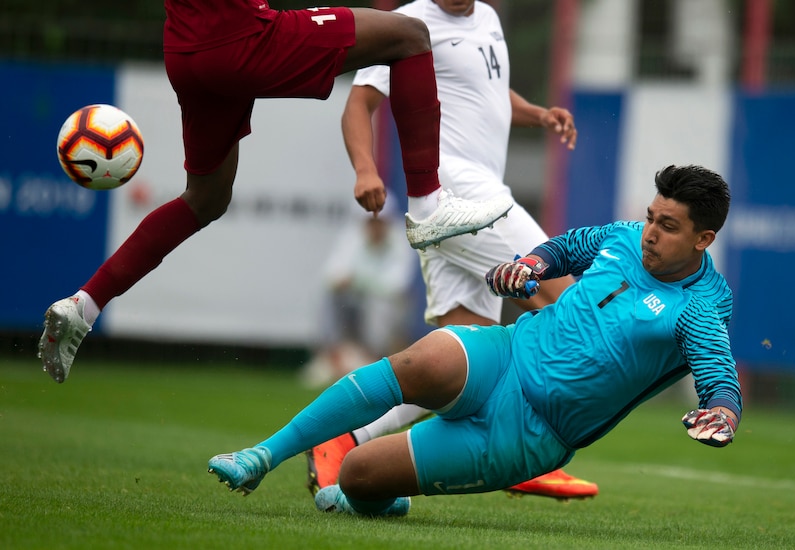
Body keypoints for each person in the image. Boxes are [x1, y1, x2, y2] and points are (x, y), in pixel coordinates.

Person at [207, 164, 742, 519]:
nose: (650, 231)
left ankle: (382, 496)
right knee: (427, 356)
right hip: (505, 354)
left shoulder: (701, 306)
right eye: (651, 216)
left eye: (668, 226)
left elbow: (717, 370)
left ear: (703, 239)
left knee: (357, 477)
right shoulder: (626, 237)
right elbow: (569, 246)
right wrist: (530, 264)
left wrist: (722, 409)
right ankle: (261, 455)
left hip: (530, 433)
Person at [37, 0, 516, 384]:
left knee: (205, 199)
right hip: (241, 34)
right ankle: (428, 205)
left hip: (185, 49)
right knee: (409, 34)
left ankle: (85, 304)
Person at [305, 0, 595, 501]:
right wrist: (365, 169)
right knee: (568, 306)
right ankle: (522, 447)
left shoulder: (487, 17)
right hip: (455, 194)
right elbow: (360, 103)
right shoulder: (408, 23)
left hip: (470, 196)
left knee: (460, 360)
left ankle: (345, 437)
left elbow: (485, 93)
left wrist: (536, 114)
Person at [303, 206, 417, 385]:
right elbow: (331, 275)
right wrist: (344, 282)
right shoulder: (352, 238)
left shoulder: (401, 241)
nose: (375, 228)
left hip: (389, 308)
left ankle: (372, 357)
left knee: (379, 304)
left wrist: (357, 281)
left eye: (379, 222)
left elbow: (396, 286)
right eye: (371, 222)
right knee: (328, 296)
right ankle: (332, 355)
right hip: (353, 302)